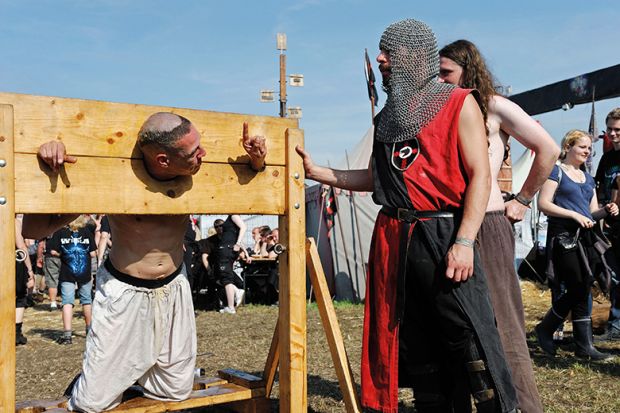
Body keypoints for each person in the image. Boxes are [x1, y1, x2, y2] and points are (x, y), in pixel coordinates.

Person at [297, 18, 517, 413]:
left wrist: (465, 241)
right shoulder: (388, 118)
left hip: (443, 230)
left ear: (414, 57)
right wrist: (318, 172)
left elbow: (481, 175)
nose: (380, 58)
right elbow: (374, 178)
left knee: (466, 333)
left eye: (388, 52)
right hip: (396, 238)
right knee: (416, 339)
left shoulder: (458, 101)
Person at [23, 113, 267, 412]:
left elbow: (254, 190)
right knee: (92, 403)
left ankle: (134, 376)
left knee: (175, 391)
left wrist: (256, 164)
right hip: (125, 291)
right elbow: (33, 230)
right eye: (193, 152)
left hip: (174, 287)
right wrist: (49, 167)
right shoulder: (110, 181)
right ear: (163, 160)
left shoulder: (199, 175)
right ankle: (96, 380)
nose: (203, 155)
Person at [438, 39, 559, 413]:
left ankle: (525, 406)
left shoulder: (492, 105)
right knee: (454, 321)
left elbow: (549, 149)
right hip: (448, 224)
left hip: (489, 224)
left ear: (467, 69)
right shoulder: (439, 109)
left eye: (447, 73)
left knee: (504, 320)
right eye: (437, 73)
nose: (440, 81)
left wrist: (523, 199)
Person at [536, 129, 618, 360]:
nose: (587, 151)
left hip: (585, 237)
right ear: (568, 147)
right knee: (579, 285)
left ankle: (584, 347)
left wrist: (607, 210)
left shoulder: (588, 177)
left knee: (584, 285)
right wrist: (572, 215)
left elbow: (592, 212)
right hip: (564, 237)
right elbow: (544, 203)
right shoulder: (556, 171)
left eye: (590, 148)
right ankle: (546, 328)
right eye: (582, 147)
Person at [49, 215, 97, 345]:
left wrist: (64, 254)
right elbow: (93, 253)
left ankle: (67, 335)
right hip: (85, 271)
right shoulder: (87, 232)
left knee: (67, 302)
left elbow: (52, 250)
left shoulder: (60, 232)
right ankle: (89, 332)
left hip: (67, 271)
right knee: (87, 300)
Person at [594, 108, 620, 340]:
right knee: (614, 275)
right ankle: (616, 323)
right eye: (609, 129)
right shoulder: (607, 158)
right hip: (613, 227)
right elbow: (600, 187)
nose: (612, 134)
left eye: (617, 129)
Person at [215, 215, 246, 314]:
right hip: (228, 249)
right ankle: (236, 292)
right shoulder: (232, 217)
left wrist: (238, 243)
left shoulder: (233, 215)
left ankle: (231, 307)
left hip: (227, 249)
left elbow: (243, 227)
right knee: (225, 276)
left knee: (226, 277)